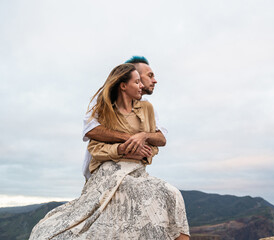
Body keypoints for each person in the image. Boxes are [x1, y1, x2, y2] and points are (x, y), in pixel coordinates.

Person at [29, 63, 190, 239]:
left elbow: (157, 143)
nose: (142, 86)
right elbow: (94, 147)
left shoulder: (147, 108)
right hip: (110, 171)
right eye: (137, 82)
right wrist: (122, 148)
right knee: (132, 196)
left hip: (137, 171)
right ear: (123, 86)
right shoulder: (104, 111)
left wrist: (144, 145)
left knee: (172, 193)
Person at [82, 56, 166, 180]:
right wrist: (130, 142)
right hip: (103, 170)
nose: (154, 80)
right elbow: (90, 130)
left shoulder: (147, 107)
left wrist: (143, 137)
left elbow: (160, 139)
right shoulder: (104, 101)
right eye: (150, 75)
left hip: (134, 170)